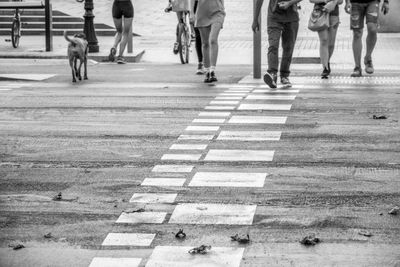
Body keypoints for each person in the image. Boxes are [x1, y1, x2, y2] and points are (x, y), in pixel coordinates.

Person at [253, 0, 303, 88]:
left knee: (288, 47)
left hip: (291, 18)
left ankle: (284, 75)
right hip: (274, 17)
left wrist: (289, 3)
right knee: (273, 45)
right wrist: (255, 18)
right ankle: (272, 73)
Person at [344, 0, 390, 77]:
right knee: (357, 33)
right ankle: (357, 67)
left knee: (372, 29)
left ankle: (368, 58)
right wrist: (347, 2)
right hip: (355, 3)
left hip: (373, 2)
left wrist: (386, 2)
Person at [310, 0, 343, 79]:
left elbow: (341, 1)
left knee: (331, 44)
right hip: (319, 12)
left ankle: (327, 61)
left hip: (333, 13)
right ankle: (325, 67)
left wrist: (333, 2)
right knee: (324, 40)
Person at [195, 0, 226, 83]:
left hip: (217, 12)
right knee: (205, 43)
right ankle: (207, 70)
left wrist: (222, 8)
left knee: (213, 40)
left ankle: (212, 70)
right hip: (202, 12)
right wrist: (191, 14)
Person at [108, 0, 134, 64]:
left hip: (116, 5)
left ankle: (114, 47)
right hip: (127, 4)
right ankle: (120, 57)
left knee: (119, 31)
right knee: (125, 33)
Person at [193, 0, 205, 74]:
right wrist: (191, 13)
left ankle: (208, 64)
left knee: (209, 37)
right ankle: (200, 62)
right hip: (197, 6)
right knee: (198, 36)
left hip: (211, 7)